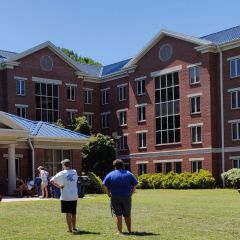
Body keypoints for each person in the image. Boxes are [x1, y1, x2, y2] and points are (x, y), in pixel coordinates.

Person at [103, 159, 138, 235]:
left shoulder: (110, 174)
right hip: (126, 196)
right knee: (127, 214)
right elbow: (135, 183)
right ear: (123, 165)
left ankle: (119, 231)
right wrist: (132, 192)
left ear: (114, 166)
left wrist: (108, 194)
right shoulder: (129, 174)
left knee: (118, 215)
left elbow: (104, 185)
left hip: (115, 196)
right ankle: (129, 230)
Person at [50, 159, 79, 233]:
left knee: (68, 212)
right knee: (74, 212)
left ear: (63, 165)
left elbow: (51, 180)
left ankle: (69, 229)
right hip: (74, 196)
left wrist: (59, 186)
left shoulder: (61, 173)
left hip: (65, 196)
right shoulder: (75, 172)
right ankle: (74, 227)